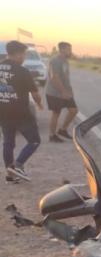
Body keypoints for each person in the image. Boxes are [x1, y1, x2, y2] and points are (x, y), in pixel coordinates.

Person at [0, 40, 43, 182]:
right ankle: (17, 165)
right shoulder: (23, 71)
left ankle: (10, 175)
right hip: (21, 112)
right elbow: (35, 93)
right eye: (24, 54)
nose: (24, 57)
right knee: (34, 141)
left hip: (3, 111)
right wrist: (39, 105)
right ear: (18, 54)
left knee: (8, 143)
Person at [47, 41, 77, 143]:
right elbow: (54, 78)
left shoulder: (65, 61)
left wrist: (69, 91)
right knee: (56, 113)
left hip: (65, 92)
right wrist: (63, 92)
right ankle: (52, 135)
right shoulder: (55, 61)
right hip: (54, 92)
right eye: (69, 49)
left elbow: (65, 77)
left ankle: (62, 130)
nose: (70, 52)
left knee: (73, 110)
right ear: (62, 49)